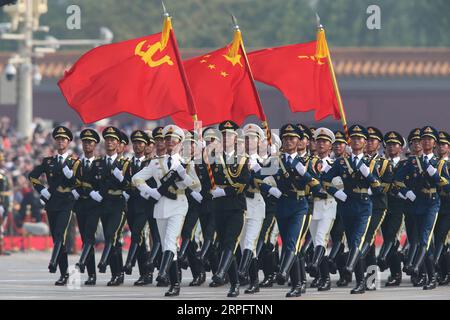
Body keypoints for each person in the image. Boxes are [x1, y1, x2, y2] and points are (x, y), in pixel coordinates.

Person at [132, 124, 200, 297]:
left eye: (173, 139)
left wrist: (183, 175)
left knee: (170, 240)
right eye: (167, 139)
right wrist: (150, 191)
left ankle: (162, 272)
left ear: (179, 142)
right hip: (161, 206)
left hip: (179, 204)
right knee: (166, 246)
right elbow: (136, 178)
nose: (169, 142)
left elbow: (197, 186)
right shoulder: (156, 162)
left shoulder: (186, 163)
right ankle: (175, 284)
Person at [260, 123, 321, 297]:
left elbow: (318, 187)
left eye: (292, 138)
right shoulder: (275, 160)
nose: (288, 141)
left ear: (299, 140)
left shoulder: (307, 162)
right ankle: (299, 283)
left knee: (292, 244)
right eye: (285, 138)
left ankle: (284, 273)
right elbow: (256, 179)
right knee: (290, 245)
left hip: (300, 205)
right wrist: (270, 189)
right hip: (282, 205)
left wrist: (305, 174)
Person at [322, 125, 382, 294]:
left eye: (360, 138)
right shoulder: (342, 162)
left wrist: (368, 175)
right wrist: (337, 193)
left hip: (364, 206)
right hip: (347, 205)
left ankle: (363, 278)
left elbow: (378, 188)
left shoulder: (371, 162)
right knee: (357, 244)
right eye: (353, 138)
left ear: (365, 142)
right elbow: (324, 180)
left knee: (358, 242)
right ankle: (363, 282)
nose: (356, 141)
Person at [395, 126, 450, 290]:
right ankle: (430, 276)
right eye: (423, 139)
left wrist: (434, 174)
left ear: (434, 143)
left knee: (425, 238)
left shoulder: (438, 163)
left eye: (429, 139)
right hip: (416, 203)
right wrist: (406, 193)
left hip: (432, 203)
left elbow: (447, 186)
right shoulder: (412, 162)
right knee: (423, 242)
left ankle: (417, 267)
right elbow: (397, 181)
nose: (425, 141)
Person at [28, 126, 81, 285]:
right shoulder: (48, 161)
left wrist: (71, 178)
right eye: (58, 139)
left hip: (67, 202)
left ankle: (53, 262)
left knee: (60, 234)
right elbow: (32, 176)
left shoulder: (75, 162)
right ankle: (64, 274)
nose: (60, 141)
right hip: (52, 203)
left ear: (69, 142)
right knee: (57, 239)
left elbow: (80, 182)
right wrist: (42, 191)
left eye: (63, 139)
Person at [207, 120, 250, 298]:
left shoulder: (242, 159)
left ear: (235, 138)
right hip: (218, 208)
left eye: (229, 135)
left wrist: (223, 191)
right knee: (224, 245)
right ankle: (235, 283)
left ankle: (220, 273)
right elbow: (205, 180)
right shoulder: (212, 157)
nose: (226, 138)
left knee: (230, 242)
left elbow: (243, 184)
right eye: (223, 135)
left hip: (235, 208)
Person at [90, 126, 129, 286]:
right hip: (104, 204)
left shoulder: (126, 163)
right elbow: (90, 181)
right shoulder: (98, 162)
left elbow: (132, 184)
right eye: (107, 139)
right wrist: (93, 192)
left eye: (113, 140)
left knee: (111, 235)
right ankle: (117, 274)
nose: (110, 142)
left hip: (119, 204)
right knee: (111, 238)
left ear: (119, 144)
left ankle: (104, 262)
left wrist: (122, 181)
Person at [361, 127, 394, 288]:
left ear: (379, 144)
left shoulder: (384, 163)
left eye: (372, 140)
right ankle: (371, 280)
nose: (368, 143)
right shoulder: (356, 160)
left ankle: (367, 274)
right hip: (360, 205)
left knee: (368, 237)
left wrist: (371, 188)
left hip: (377, 206)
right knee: (370, 244)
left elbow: (386, 186)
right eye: (365, 140)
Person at [309, 128, 337, 291]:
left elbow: (339, 184)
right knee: (316, 242)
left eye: (325, 142)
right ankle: (323, 278)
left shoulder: (335, 164)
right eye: (318, 141)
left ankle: (318, 270)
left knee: (321, 238)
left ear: (330, 146)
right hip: (313, 206)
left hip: (328, 205)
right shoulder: (308, 162)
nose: (321, 144)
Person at [73, 128, 101, 286]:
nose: (87, 145)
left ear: (95, 144)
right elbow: (72, 182)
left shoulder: (100, 163)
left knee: (90, 235)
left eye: (90, 142)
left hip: (94, 204)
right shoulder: (77, 163)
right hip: (81, 204)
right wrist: (75, 191)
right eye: (84, 142)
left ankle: (82, 263)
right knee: (85, 238)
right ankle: (92, 275)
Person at [328, 130, 351, 287]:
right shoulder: (328, 163)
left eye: (340, 143)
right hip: (329, 205)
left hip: (346, 205)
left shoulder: (351, 163)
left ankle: (344, 272)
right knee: (336, 238)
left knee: (341, 237)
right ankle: (343, 271)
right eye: (335, 143)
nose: (337, 146)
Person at [434, 131, 450, 285]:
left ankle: (445, 273)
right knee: (437, 240)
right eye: (438, 144)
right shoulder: (432, 163)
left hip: (447, 208)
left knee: (443, 240)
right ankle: (441, 272)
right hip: (434, 208)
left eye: (443, 144)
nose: (440, 147)